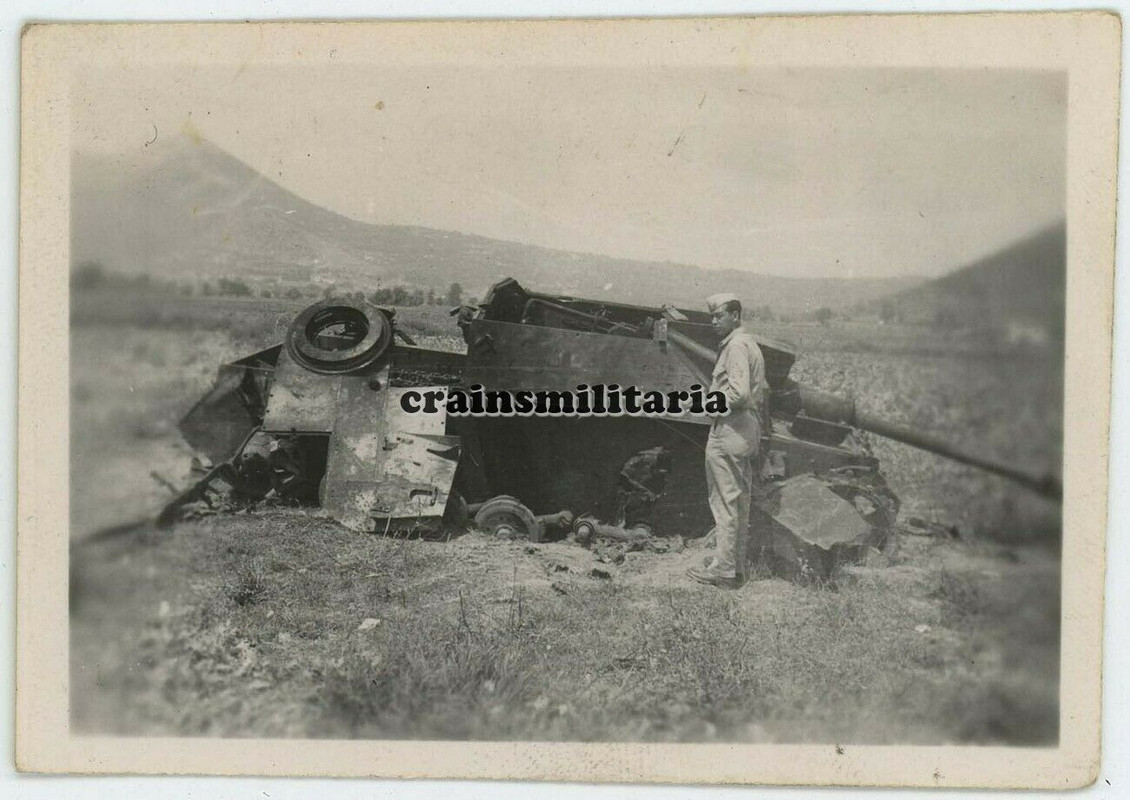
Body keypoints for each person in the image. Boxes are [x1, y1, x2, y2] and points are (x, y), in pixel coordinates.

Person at [686, 293, 769, 588]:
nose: (713, 322)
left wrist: (708, 404)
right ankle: (735, 569)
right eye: (712, 316)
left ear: (735, 315)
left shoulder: (735, 346)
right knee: (739, 501)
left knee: (724, 502)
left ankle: (722, 570)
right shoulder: (748, 344)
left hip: (730, 430)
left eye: (719, 316)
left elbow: (738, 394)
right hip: (745, 430)